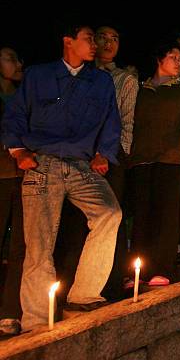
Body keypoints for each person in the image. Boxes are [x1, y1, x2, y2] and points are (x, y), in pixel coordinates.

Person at [1, 24, 122, 331]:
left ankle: (83, 292)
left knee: (110, 212)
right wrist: (18, 151)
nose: (94, 45)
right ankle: (37, 320)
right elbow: (15, 113)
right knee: (39, 243)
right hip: (43, 162)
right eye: (87, 39)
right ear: (68, 41)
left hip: (81, 164)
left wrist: (103, 153)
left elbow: (111, 120)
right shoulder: (39, 76)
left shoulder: (101, 81)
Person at [53, 26, 140, 302]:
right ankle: (68, 281)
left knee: (109, 217)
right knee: (75, 220)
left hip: (110, 156)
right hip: (77, 156)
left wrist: (118, 154)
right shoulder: (80, 75)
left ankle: (110, 282)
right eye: (102, 37)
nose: (109, 43)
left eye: (116, 38)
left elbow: (126, 120)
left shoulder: (124, 79)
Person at [128, 40, 180, 286]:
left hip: (170, 160)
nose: (178, 63)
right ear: (159, 59)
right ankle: (138, 270)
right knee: (141, 216)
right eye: (173, 57)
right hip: (141, 159)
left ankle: (163, 268)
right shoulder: (141, 90)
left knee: (166, 215)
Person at [0, 46, 25, 335]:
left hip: (22, 176)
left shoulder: (23, 96)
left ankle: (10, 312)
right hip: (3, 175)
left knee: (21, 245)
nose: (18, 63)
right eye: (10, 58)